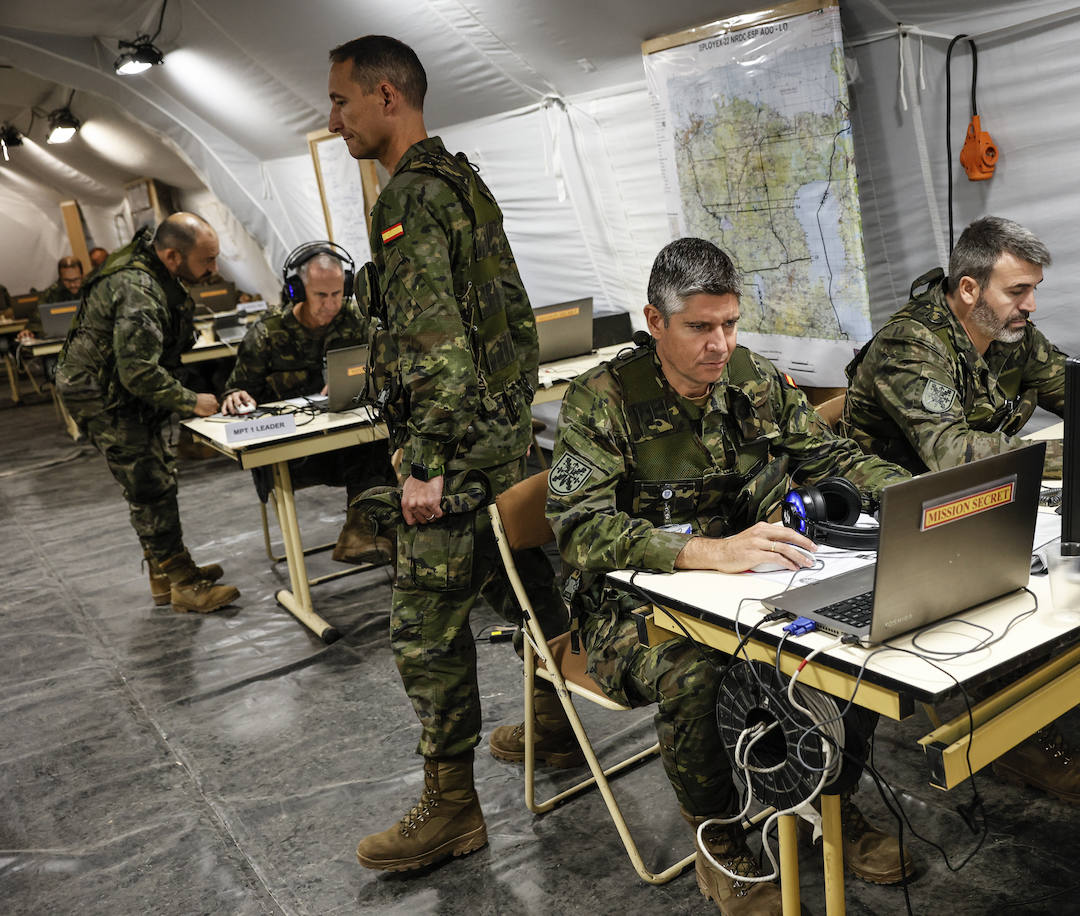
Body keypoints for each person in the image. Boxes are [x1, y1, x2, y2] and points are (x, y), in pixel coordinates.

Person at [548, 237, 920, 914]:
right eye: (699, 327)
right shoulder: (599, 402)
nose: (719, 344)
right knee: (696, 670)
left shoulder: (753, 377)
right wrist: (702, 551)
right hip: (631, 603)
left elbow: (829, 453)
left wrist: (921, 499)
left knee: (855, 636)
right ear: (655, 323)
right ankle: (719, 839)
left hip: (749, 582)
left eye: (729, 324)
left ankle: (826, 800)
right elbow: (576, 530)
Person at [328, 34, 567, 872]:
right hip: (502, 444)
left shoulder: (409, 201)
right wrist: (507, 424)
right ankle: (558, 721)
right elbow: (514, 319)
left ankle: (452, 807)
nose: (335, 119)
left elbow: (436, 348)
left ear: (387, 96)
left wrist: (425, 461)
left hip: (455, 456)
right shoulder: (461, 181)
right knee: (529, 584)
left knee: (423, 630)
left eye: (342, 101)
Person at [840, 215, 1080, 805]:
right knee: (1032, 578)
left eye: (1033, 289)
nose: (1031, 305)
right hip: (883, 512)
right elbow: (949, 454)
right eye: (1017, 290)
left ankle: (1015, 728)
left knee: (1071, 562)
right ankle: (1011, 735)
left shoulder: (1010, 333)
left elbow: (1079, 390)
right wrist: (1076, 450)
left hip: (969, 498)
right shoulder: (913, 342)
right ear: (969, 289)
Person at [54, 212, 240, 615]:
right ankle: (185, 585)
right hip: (100, 396)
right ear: (173, 256)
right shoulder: (138, 289)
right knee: (150, 484)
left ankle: (166, 570)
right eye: (207, 261)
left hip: (115, 386)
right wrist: (192, 401)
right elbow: (136, 370)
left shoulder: (154, 269)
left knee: (153, 475)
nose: (214, 269)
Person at [220, 245, 395, 564]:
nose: (330, 305)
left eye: (336, 294)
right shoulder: (267, 333)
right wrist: (235, 396)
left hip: (345, 447)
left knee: (378, 444)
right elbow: (237, 389)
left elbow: (386, 367)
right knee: (371, 454)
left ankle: (361, 532)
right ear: (296, 290)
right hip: (294, 455)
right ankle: (367, 532)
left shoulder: (355, 320)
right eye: (320, 295)